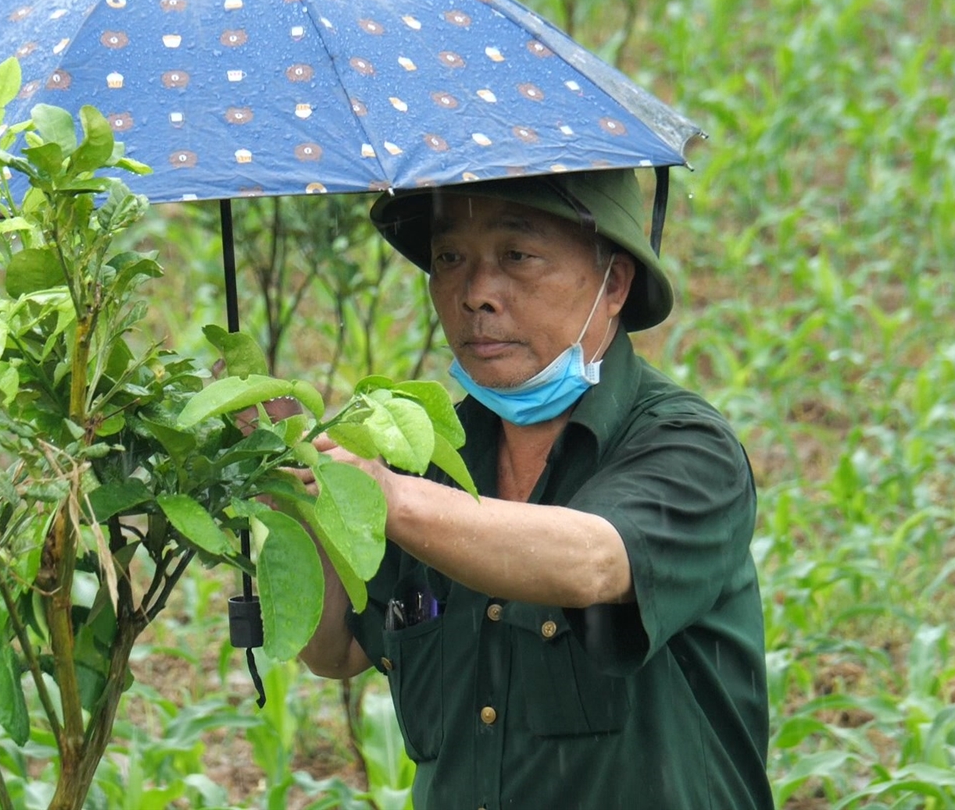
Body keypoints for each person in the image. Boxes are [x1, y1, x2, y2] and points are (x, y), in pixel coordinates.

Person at [296, 169, 774, 809]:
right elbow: (336, 649)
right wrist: (293, 484)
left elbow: (593, 561)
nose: (475, 294)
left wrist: (387, 497)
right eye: (450, 258)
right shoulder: (431, 454)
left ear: (615, 284)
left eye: (517, 256)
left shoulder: (689, 449)